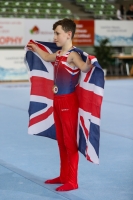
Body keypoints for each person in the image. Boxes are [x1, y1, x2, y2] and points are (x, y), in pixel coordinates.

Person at [27, 18, 93, 192]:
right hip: (56, 101)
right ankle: (63, 175)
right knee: (61, 141)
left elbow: (84, 68)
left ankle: (72, 180)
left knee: (70, 142)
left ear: (68, 34)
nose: (54, 37)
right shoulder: (58, 55)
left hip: (68, 102)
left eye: (57, 33)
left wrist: (89, 62)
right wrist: (36, 48)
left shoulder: (73, 55)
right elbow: (47, 56)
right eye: (54, 33)